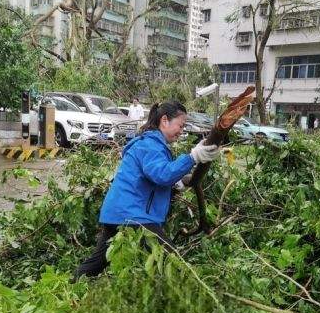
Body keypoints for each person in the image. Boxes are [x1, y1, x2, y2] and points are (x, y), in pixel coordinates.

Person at [74, 101, 220, 279]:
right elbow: (162, 174)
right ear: (164, 120)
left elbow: (152, 179)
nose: (181, 131)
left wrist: (176, 183)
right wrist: (192, 157)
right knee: (173, 262)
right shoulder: (150, 145)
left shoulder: (150, 144)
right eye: (180, 125)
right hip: (134, 217)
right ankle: (188, 296)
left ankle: (70, 287)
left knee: (96, 263)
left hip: (119, 213)